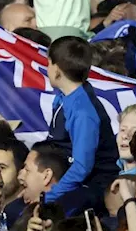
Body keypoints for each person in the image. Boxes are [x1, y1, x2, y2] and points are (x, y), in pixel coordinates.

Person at [45, 36, 118, 204]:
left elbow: (81, 168)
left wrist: (49, 197)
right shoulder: (65, 97)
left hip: (94, 187)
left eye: (48, 63)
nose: (46, 69)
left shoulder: (83, 112)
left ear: (57, 70)